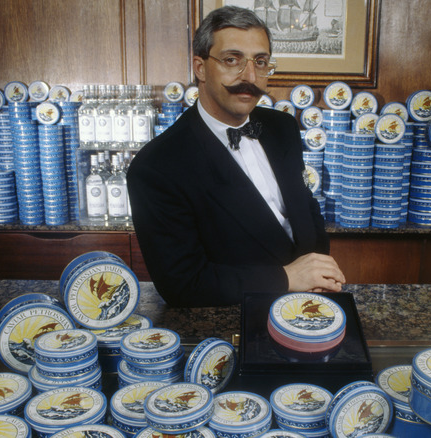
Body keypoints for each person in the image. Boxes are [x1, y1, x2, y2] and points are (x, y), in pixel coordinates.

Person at [127, 5, 345, 307]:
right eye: (232, 60)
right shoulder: (155, 167)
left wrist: (316, 269)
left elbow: (306, 209)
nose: (250, 77)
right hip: (233, 320)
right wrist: (287, 279)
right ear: (200, 68)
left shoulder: (282, 126)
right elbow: (182, 284)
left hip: (307, 305)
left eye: (261, 62)